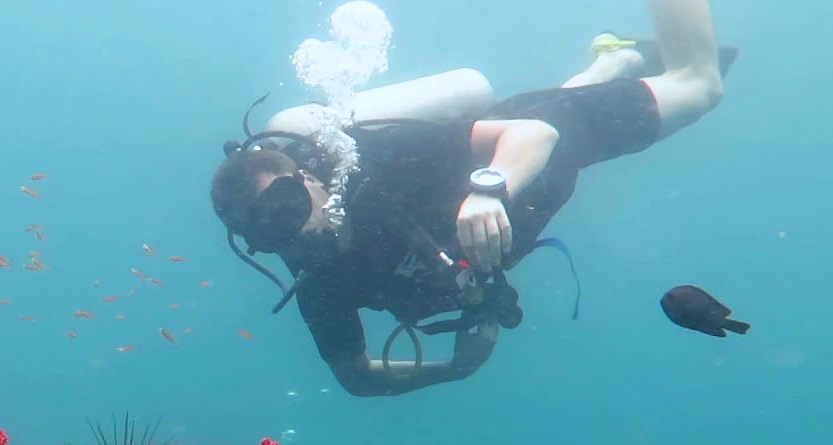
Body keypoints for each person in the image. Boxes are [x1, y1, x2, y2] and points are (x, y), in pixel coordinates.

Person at [209, 1, 732, 397]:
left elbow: (533, 135)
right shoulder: (321, 288)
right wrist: (456, 368)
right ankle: (611, 63)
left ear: (310, 178)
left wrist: (488, 188)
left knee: (701, 85)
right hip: (529, 197)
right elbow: (355, 376)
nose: (293, 233)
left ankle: (616, 68)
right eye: (267, 232)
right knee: (560, 104)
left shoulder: (386, 158)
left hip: (540, 143)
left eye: (287, 208)